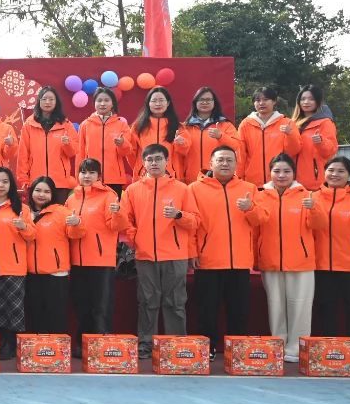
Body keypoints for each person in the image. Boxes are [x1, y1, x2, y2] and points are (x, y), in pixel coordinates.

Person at [109, 143, 197, 359]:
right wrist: (135, 238)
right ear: (143, 163)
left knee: (175, 302)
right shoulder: (132, 190)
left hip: (175, 255)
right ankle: (146, 344)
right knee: (147, 301)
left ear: (167, 161)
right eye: (149, 159)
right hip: (145, 255)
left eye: (158, 159)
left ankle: (176, 344)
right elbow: (125, 221)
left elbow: (195, 221)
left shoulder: (182, 189)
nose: (154, 163)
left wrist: (179, 215)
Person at [189, 145, 262, 351]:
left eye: (229, 160)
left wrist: (250, 209)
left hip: (239, 261)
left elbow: (260, 220)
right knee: (206, 310)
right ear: (211, 163)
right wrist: (192, 251)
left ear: (236, 164)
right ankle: (207, 349)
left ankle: (236, 350)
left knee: (239, 310)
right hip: (208, 260)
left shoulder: (249, 188)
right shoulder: (194, 189)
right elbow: (191, 224)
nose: (225, 164)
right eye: (220, 159)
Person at [254, 154, 325, 362]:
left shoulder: (308, 195)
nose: (281, 175)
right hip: (270, 261)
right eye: (277, 171)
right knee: (275, 306)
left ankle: (297, 348)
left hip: (301, 262)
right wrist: (256, 257)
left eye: (286, 171)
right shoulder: (260, 195)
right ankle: (279, 344)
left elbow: (319, 226)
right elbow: (255, 230)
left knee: (300, 306)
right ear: (270, 172)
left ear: (294, 173)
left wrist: (314, 209)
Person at [311, 156, 350, 338]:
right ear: (324, 172)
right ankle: (329, 347)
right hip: (322, 264)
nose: (335, 174)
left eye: (341, 171)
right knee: (326, 307)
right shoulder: (313, 197)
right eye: (331, 170)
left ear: (349, 175)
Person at [0, 167, 35, 360]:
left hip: (14, 266)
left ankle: (11, 344)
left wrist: (23, 227)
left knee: (13, 308)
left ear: (11, 185)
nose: (0, 185)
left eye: (5, 181)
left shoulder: (21, 208)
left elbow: (32, 235)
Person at [66, 159, 118, 353]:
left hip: (101, 261)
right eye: (83, 172)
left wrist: (118, 214)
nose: (86, 176)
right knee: (82, 306)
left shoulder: (109, 196)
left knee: (101, 307)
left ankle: (101, 349)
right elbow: (70, 231)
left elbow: (116, 226)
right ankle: (83, 346)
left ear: (99, 176)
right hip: (77, 262)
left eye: (91, 172)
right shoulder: (72, 198)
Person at [26, 177, 81, 335]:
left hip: (56, 274)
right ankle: (37, 348)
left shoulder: (61, 212)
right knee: (35, 316)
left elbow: (76, 234)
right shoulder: (24, 212)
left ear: (53, 194)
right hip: (31, 273)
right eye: (38, 190)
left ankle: (58, 348)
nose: (41, 194)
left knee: (56, 317)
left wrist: (77, 223)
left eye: (46, 191)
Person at [18, 87, 77, 202]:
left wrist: (67, 144)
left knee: (58, 212)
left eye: (51, 99)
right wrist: (23, 179)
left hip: (59, 182)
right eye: (44, 99)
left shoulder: (66, 124)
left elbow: (73, 153)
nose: (47, 102)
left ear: (56, 102)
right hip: (36, 182)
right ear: (39, 101)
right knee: (37, 213)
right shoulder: (29, 125)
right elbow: (23, 154)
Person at [238, 87, 301, 187]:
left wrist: (290, 135)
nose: (261, 103)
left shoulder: (287, 123)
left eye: (266, 99)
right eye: (257, 100)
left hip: (279, 181)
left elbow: (294, 151)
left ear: (274, 101)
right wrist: (238, 177)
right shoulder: (245, 124)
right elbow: (240, 154)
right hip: (252, 182)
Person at [77, 87, 134, 192]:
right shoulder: (85, 125)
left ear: (113, 104)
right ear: (94, 103)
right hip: (91, 177)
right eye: (99, 100)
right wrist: (79, 177)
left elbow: (127, 152)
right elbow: (80, 152)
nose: (102, 104)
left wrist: (122, 144)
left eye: (106, 100)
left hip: (114, 178)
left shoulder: (121, 124)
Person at [179, 87, 241, 183]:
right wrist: (180, 144)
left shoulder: (225, 124)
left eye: (208, 100)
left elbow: (236, 145)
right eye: (201, 99)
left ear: (214, 102)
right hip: (191, 179)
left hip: (217, 178)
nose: (205, 102)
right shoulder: (185, 126)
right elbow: (180, 154)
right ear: (195, 102)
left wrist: (221, 136)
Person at [131, 87, 187, 179]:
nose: (158, 104)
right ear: (148, 103)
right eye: (154, 101)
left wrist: (181, 144)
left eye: (161, 100)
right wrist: (140, 167)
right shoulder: (138, 126)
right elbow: (131, 153)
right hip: (144, 175)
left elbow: (185, 152)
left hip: (171, 176)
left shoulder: (178, 126)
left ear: (168, 103)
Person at [291, 85, 338, 191]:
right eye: (303, 99)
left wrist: (321, 142)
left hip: (315, 183)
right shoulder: (292, 123)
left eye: (311, 99)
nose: (306, 102)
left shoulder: (325, 122)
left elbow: (331, 151)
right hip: (292, 182)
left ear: (318, 101)